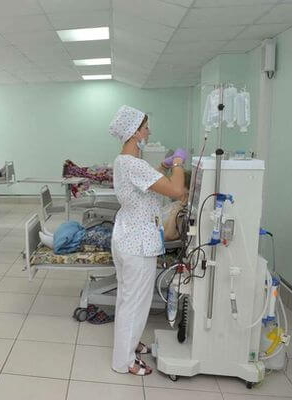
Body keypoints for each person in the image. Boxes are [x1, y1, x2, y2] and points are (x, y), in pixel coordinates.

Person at [109, 105, 188, 376]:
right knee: (135, 303)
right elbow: (176, 190)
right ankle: (124, 361)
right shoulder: (134, 164)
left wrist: (162, 166)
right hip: (138, 243)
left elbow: (145, 181)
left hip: (126, 236)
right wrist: (178, 164)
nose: (149, 132)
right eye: (145, 128)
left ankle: (129, 345)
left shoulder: (124, 161)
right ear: (134, 132)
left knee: (127, 298)